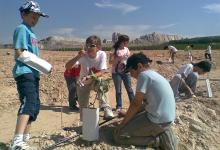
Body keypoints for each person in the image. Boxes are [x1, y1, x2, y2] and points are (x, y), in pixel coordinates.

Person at [114, 53, 176, 149]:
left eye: (131, 71)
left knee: (119, 136)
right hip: (166, 118)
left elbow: (136, 104)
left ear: (139, 66)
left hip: (157, 120)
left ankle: (157, 140)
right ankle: (160, 131)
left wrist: (122, 124)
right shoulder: (153, 74)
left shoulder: (143, 76)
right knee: (130, 120)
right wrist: (127, 115)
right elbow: (144, 104)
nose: (131, 75)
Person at [11, 1, 49, 149]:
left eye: (37, 17)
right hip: (24, 72)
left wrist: (42, 68)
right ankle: (17, 141)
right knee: (28, 102)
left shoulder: (32, 32)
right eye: (33, 16)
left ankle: (24, 139)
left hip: (33, 74)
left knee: (34, 106)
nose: (35, 20)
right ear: (23, 14)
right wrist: (42, 65)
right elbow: (19, 52)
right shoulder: (21, 29)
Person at [65, 35, 114, 121]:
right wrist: (78, 56)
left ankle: (106, 108)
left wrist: (89, 76)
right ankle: (85, 126)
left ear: (99, 47)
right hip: (83, 83)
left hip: (94, 81)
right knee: (83, 107)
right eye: (87, 45)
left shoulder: (102, 54)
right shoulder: (83, 56)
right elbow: (67, 66)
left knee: (101, 82)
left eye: (92, 45)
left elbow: (103, 71)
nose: (88, 47)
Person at [109, 34, 134, 112]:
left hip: (126, 71)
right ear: (122, 42)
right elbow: (110, 62)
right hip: (116, 72)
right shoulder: (114, 49)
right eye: (127, 41)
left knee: (129, 89)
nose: (128, 43)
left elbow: (128, 60)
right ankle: (119, 106)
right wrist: (117, 59)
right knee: (118, 90)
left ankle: (133, 105)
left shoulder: (127, 49)